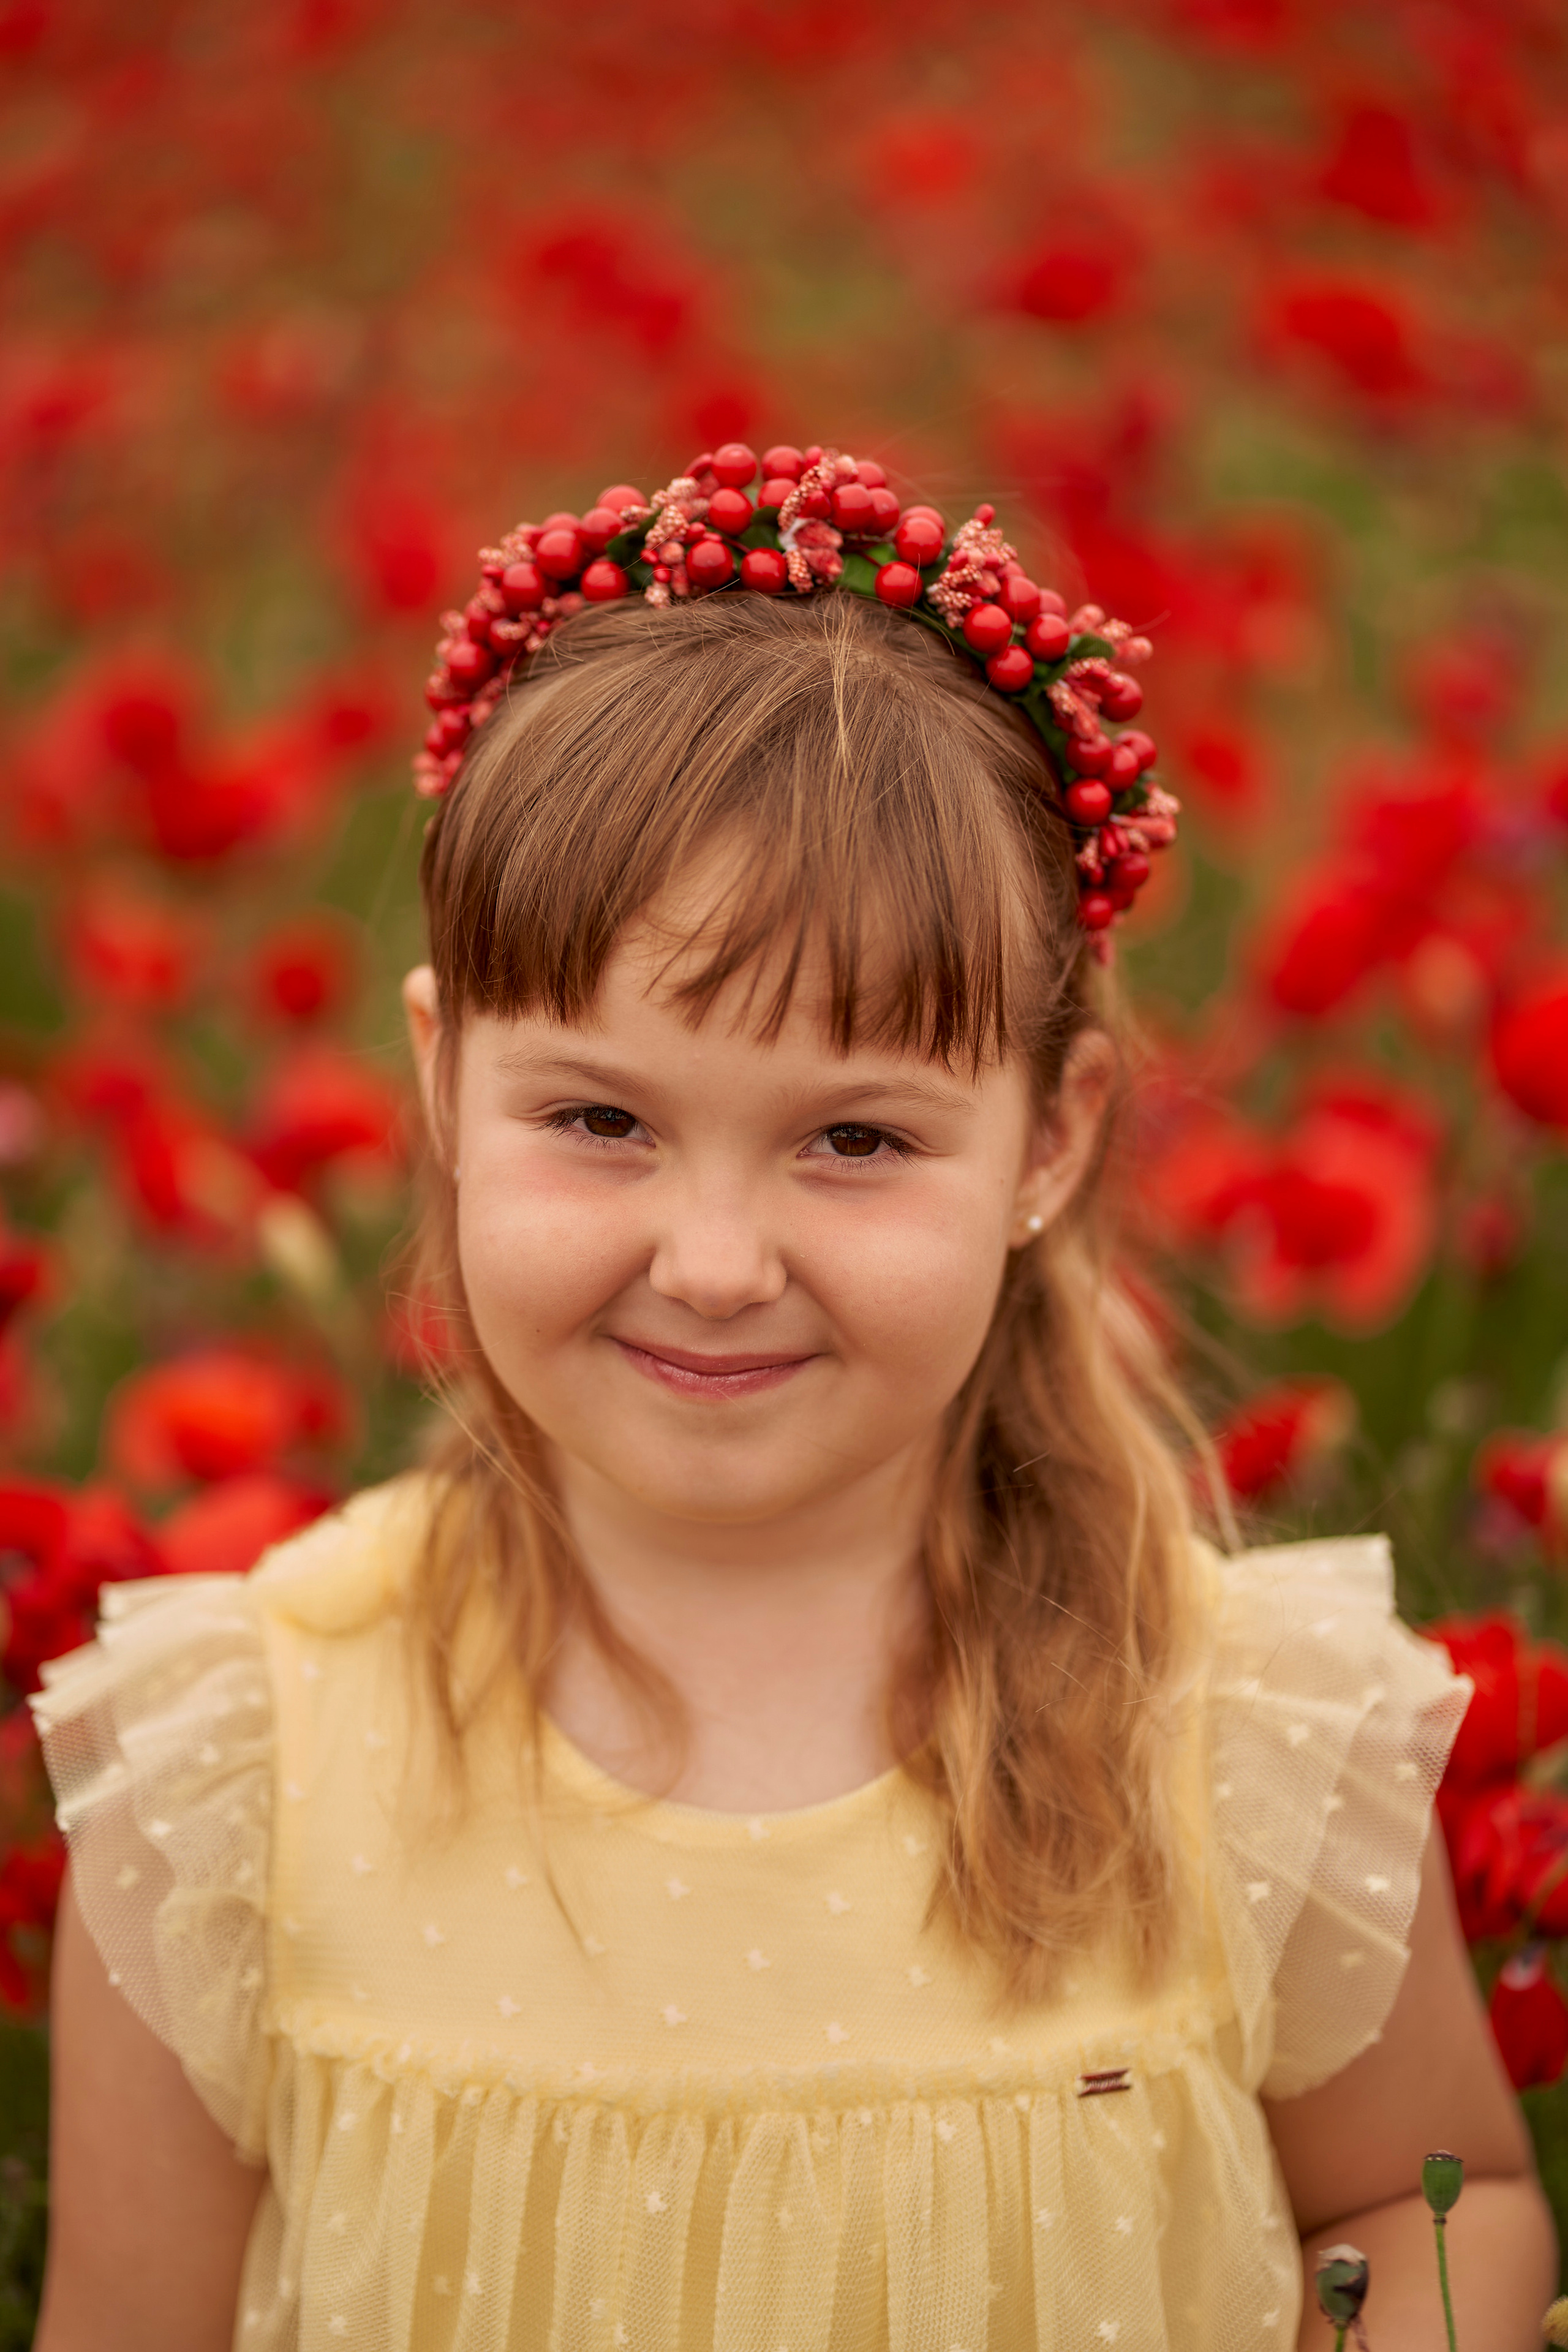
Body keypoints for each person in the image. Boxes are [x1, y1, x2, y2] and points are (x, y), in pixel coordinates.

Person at [31, 450, 1555, 2351]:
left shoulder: (1231, 1734)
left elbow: (1434, 2204)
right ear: (443, 1082)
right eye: (600, 1122)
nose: (718, 1257)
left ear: (1049, 1141)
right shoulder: (235, 1774)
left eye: (854, 1136)